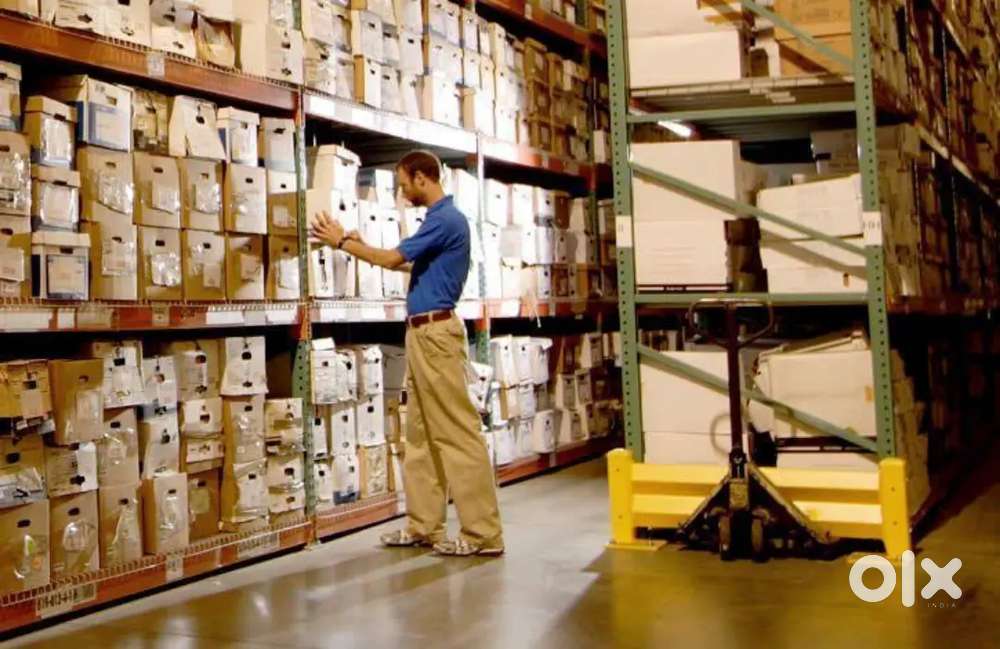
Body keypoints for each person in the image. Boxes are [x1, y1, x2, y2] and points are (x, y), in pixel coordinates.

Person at [310, 150, 504, 557]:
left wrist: (343, 242)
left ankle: (483, 533)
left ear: (421, 178)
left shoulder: (445, 219)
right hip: (422, 334)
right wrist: (360, 244)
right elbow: (409, 265)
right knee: (420, 434)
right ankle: (424, 525)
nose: (401, 193)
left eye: (403, 184)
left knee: (457, 432)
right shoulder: (438, 220)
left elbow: (391, 259)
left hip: (436, 335)